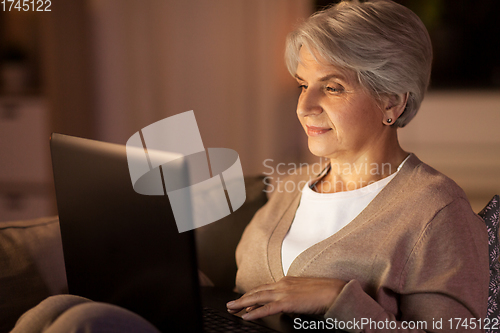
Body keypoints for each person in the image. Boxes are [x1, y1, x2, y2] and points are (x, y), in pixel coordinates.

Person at [226, 0, 489, 331]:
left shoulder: (438, 212)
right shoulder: (288, 186)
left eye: (333, 88)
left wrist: (339, 299)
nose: (304, 106)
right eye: (303, 85)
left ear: (392, 100)